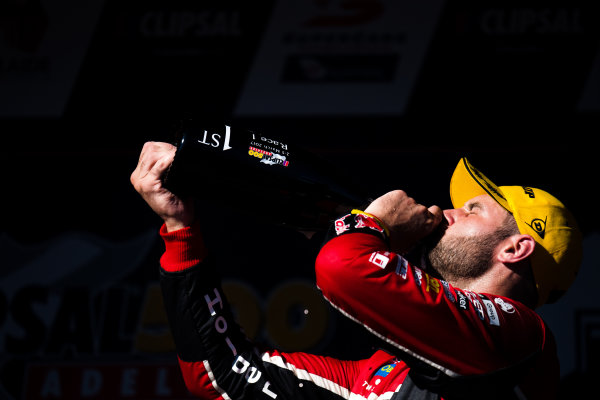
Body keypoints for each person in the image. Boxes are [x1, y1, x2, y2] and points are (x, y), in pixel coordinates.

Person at [130, 141, 583, 400]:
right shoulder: (381, 376)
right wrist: (180, 228)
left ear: (517, 247)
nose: (447, 211)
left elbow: (343, 268)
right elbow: (219, 374)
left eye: (472, 209)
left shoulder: (523, 339)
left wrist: (372, 225)